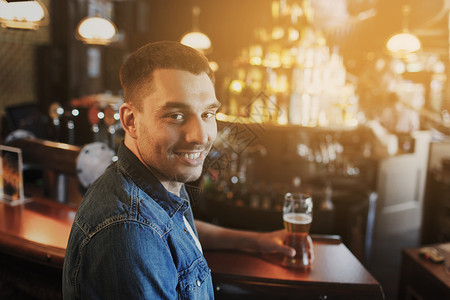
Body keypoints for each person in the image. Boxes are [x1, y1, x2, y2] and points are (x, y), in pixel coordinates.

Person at [63, 41, 300, 299]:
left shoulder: (154, 182)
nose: (200, 136)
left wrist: (256, 242)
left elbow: (174, 228)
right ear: (131, 121)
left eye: (208, 114)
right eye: (176, 115)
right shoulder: (129, 232)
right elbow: (148, 232)